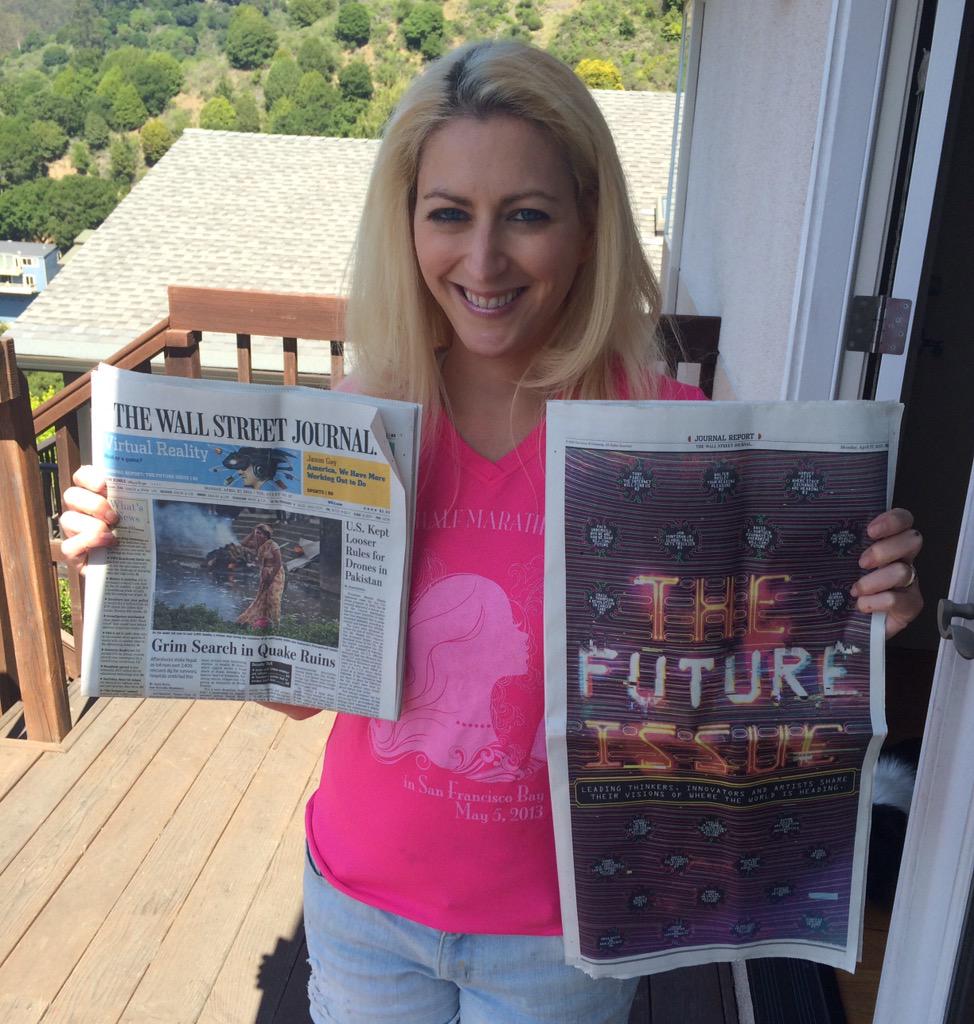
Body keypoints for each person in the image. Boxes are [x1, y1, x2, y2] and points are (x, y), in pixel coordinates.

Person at [60, 40, 923, 1024]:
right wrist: (126, 559)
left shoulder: (677, 440)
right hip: (362, 906)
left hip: (563, 936)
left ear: (587, 226)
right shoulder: (360, 422)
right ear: (407, 225)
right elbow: (300, 697)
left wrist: (851, 610)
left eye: (526, 215)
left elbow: (725, 689)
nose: (482, 261)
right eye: (448, 214)